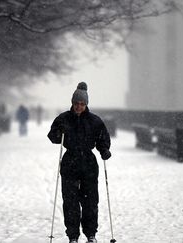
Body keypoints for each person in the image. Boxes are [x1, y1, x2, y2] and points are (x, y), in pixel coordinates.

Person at [47, 82, 112, 243]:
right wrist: (58, 131)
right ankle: (73, 236)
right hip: (70, 163)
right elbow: (52, 137)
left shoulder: (95, 121)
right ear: (72, 103)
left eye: (82, 104)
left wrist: (104, 150)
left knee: (90, 201)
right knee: (70, 201)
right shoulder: (63, 119)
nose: (78, 107)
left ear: (86, 104)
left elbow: (102, 138)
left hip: (88, 164)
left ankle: (91, 234)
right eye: (76, 103)